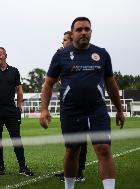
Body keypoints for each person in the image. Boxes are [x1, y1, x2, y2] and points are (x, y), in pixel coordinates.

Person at [39, 17, 125, 189]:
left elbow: (111, 83)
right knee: (73, 151)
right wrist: (43, 109)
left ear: (91, 32)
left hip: (97, 111)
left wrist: (119, 109)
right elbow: (48, 83)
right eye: (79, 29)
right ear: (72, 33)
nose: (84, 32)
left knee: (104, 150)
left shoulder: (102, 54)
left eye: (87, 29)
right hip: (71, 111)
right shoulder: (61, 55)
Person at [0, 47, 33, 176]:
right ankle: (1, 167)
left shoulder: (14, 71)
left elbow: (19, 90)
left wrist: (19, 107)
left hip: (11, 110)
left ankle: (23, 167)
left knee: (16, 139)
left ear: (5, 55)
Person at [54, 31, 87, 182]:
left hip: (79, 101)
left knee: (79, 138)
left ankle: (79, 172)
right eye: (62, 41)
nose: (62, 43)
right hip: (66, 101)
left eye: (65, 40)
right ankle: (70, 170)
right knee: (68, 139)